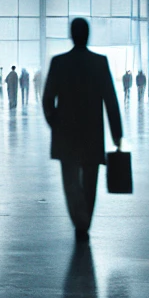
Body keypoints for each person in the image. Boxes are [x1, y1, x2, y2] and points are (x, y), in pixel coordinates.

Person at [44, 18, 123, 242]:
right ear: (87, 35)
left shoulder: (59, 62)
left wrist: (55, 125)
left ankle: (78, 219)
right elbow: (111, 100)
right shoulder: (99, 62)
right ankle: (85, 221)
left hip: (65, 135)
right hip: (92, 134)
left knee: (70, 182)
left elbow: (48, 99)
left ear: (71, 35)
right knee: (90, 180)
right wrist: (117, 135)